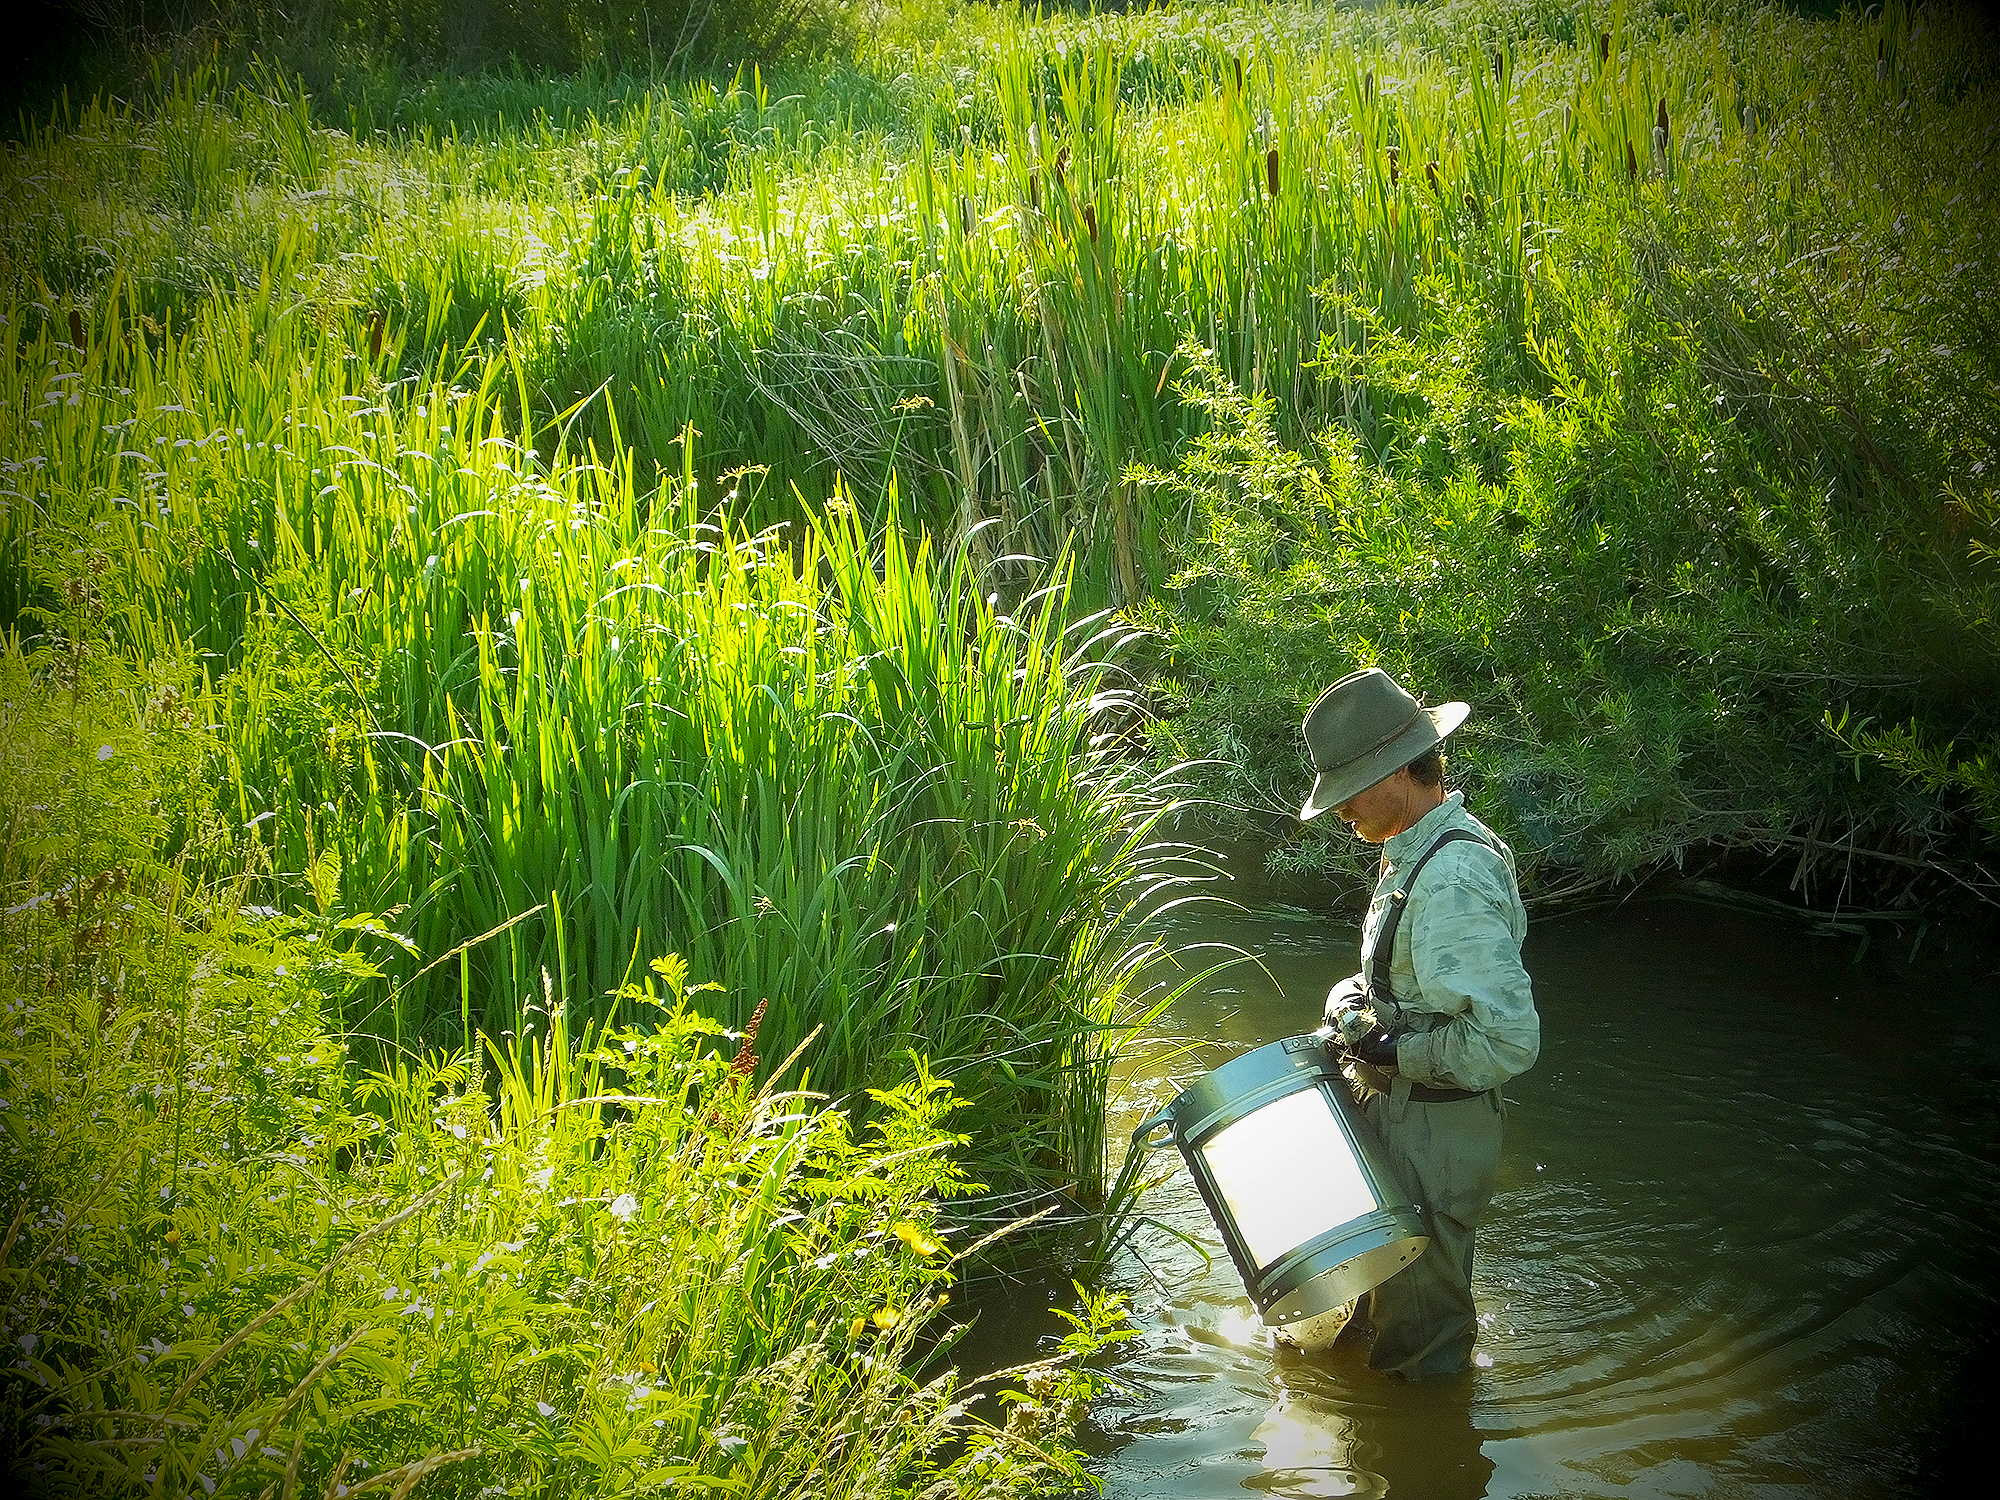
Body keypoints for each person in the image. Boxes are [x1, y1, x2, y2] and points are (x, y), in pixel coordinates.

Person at [1295, 666, 1539, 1381]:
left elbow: (1506, 1039)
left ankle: (1432, 1453)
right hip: (1402, 1115)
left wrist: (1388, 1047)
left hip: (1433, 1129)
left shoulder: (1452, 874)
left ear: (1403, 771)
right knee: (1380, 1312)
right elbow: (1413, 988)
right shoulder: (1416, 851)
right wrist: (1358, 1007)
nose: (1341, 812)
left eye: (1350, 792)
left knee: (1423, 1343)